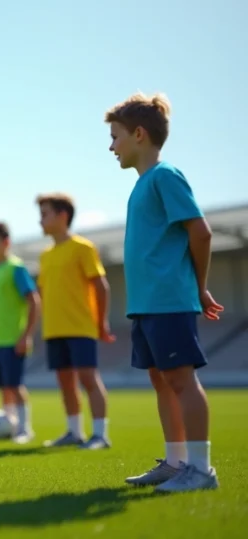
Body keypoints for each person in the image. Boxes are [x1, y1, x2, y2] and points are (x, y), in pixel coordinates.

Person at [106, 92, 222, 492]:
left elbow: (201, 232)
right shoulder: (141, 186)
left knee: (180, 380)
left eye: (115, 136)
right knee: (162, 381)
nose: (111, 146)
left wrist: (200, 287)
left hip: (169, 300)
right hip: (146, 305)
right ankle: (176, 464)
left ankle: (201, 471)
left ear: (139, 134)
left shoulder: (165, 176)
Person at [35, 193, 115, 450]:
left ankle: (100, 435)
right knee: (65, 382)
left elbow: (101, 287)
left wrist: (101, 322)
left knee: (88, 379)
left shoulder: (83, 247)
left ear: (63, 216)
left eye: (45, 214)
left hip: (81, 327)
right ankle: (74, 432)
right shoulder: (45, 255)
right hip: (54, 330)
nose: (40, 220)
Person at [0, 222, 40, 444]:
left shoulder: (16, 268)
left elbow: (34, 301)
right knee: (4, 386)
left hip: (12, 338)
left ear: (6, 242)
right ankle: (10, 423)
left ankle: (25, 428)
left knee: (15, 385)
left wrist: (26, 334)